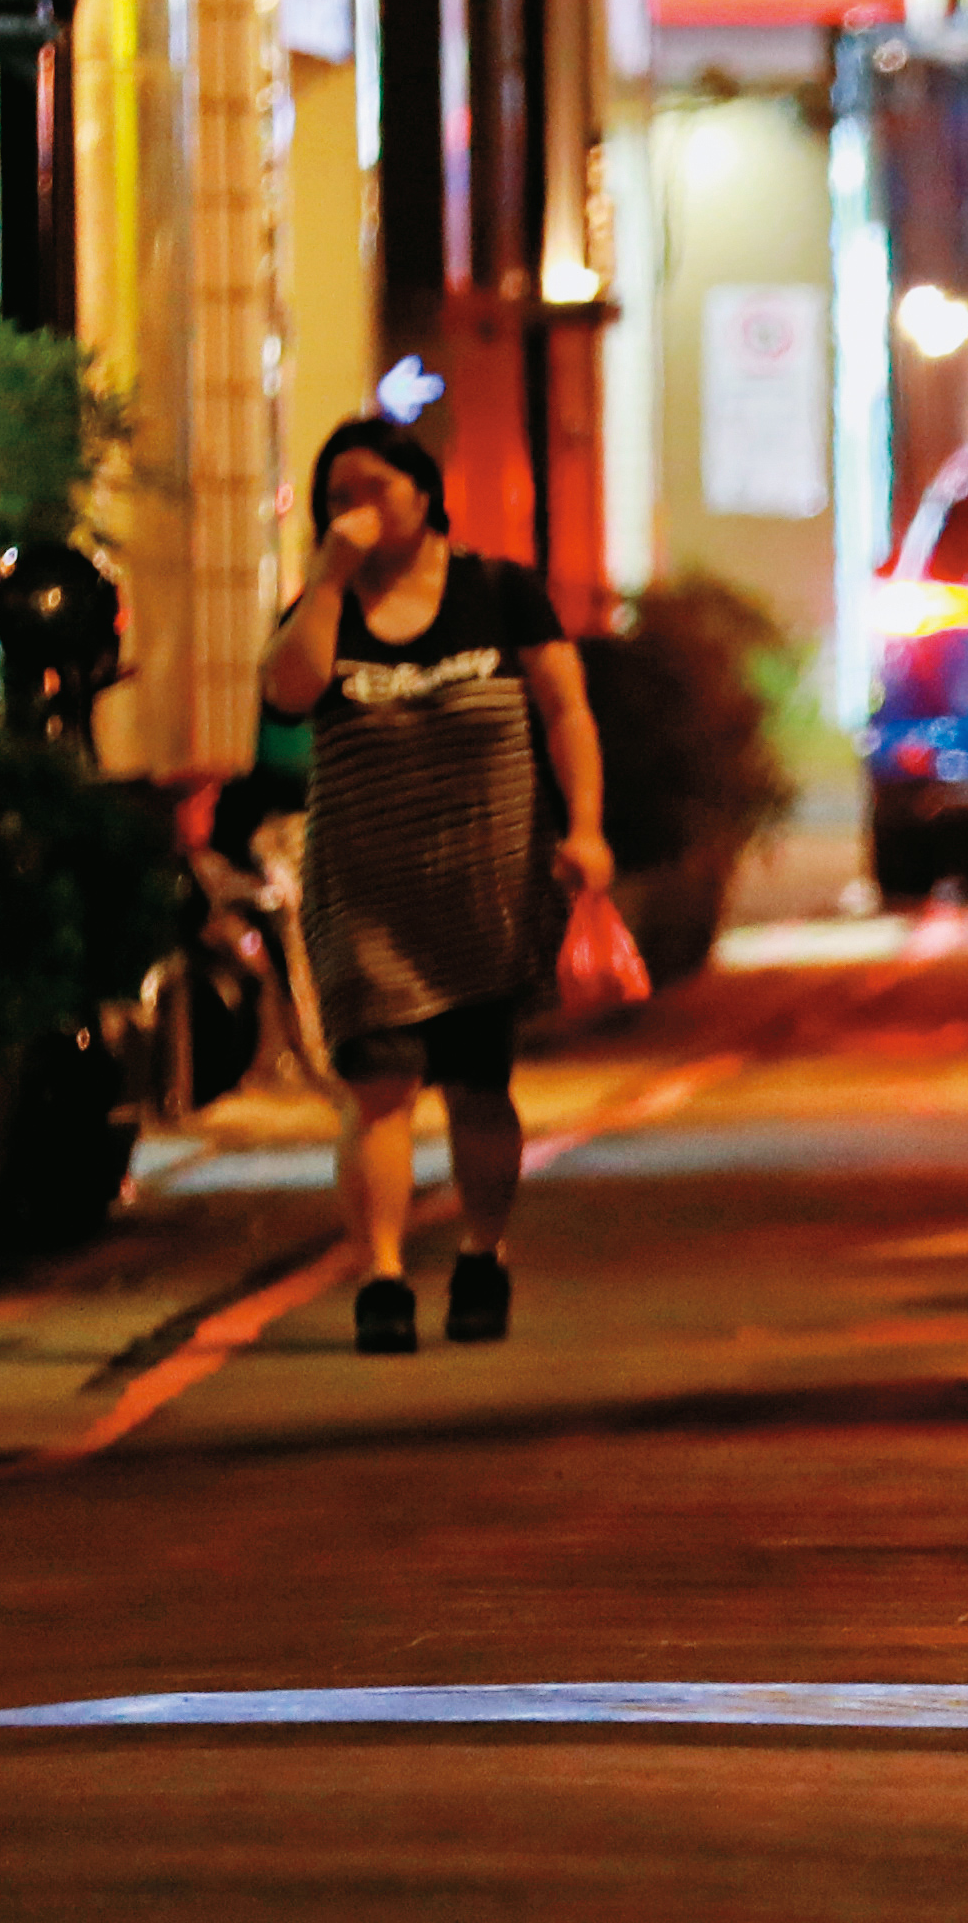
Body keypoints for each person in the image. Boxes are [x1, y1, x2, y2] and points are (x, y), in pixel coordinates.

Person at [262, 419, 612, 1355]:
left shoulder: (496, 592)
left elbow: (566, 709)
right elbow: (289, 694)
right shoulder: (319, 606)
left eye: (374, 490)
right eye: (338, 496)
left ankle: (480, 1255)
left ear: (424, 494)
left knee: (477, 1085)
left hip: (484, 888)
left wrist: (585, 827)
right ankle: (379, 1277)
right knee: (376, 1084)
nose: (357, 511)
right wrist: (330, 580)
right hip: (362, 886)